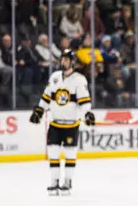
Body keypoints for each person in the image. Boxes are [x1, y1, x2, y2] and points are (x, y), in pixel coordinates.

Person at [29, 49, 95, 196]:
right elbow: (46, 97)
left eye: (66, 59)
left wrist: (87, 114)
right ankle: (54, 182)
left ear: (73, 62)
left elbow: (84, 101)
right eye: (62, 59)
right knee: (53, 153)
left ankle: (67, 182)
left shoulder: (79, 79)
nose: (63, 62)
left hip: (71, 124)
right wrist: (39, 111)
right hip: (55, 123)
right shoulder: (54, 77)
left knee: (70, 154)